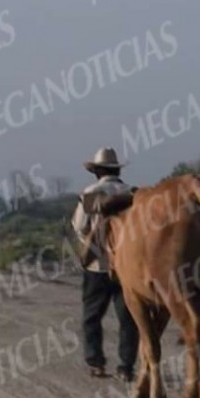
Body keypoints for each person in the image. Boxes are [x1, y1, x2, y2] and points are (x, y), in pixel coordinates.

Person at [71, 147, 139, 382]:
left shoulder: (90, 193)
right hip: (127, 267)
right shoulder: (133, 193)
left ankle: (96, 362)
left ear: (97, 172)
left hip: (97, 266)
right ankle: (126, 366)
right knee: (129, 317)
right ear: (117, 169)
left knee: (91, 316)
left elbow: (80, 226)